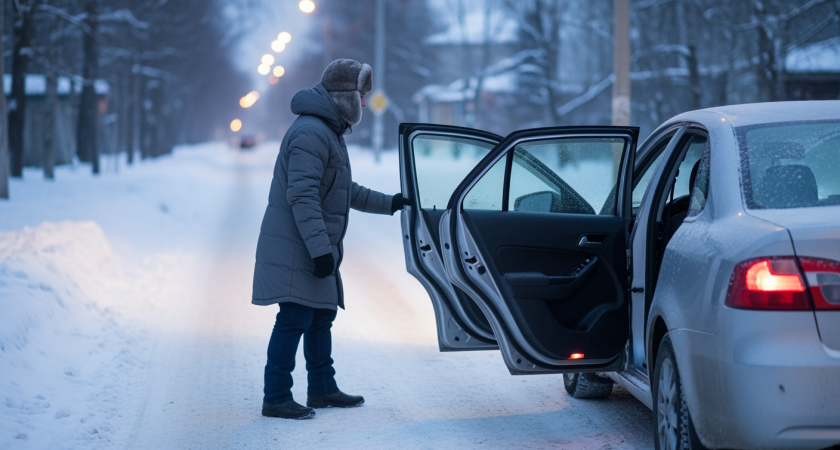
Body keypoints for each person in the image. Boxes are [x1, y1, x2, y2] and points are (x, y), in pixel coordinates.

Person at [252, 59, 410, 420]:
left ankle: (322, 388)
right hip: (299, 245)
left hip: (311, 243)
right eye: (361, 94)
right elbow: (303, 196)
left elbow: (343, 189)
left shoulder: (327, 131)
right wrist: (321, 250)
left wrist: (390, 203)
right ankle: (276, 396)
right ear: (344, 96)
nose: (365, 103)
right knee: (294, 318)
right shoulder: (311, 132)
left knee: (321, 317)